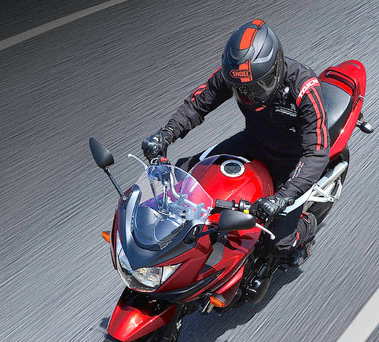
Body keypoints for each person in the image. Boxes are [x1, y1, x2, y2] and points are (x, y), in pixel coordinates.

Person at [141, 19, 329, 266]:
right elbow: (197, 104)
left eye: (257, 87)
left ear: (276, 68)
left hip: (292, 162)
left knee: (279, 244)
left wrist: (283, 197)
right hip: (253, 142)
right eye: (241, 89)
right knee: (183, 172)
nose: (248, 94)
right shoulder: (234, 75)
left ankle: (305, 226)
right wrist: (165, 134)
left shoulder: (304, 87)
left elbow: (316, 152)